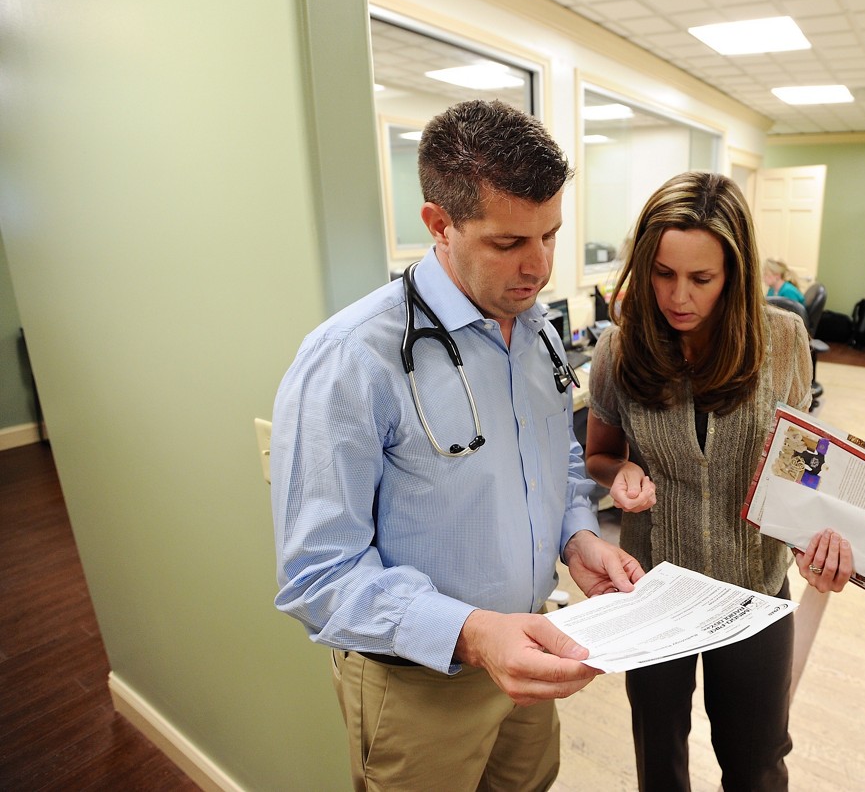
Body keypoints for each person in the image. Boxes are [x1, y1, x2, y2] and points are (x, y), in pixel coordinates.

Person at [270, 99, 643, 792]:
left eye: (551, 236)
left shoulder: (535, 331)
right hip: (419, 687)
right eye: (508, 243)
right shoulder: (350, 361)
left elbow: (554, 462)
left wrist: (579, 538)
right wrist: (471, 633)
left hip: (528, 648)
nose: (538, 268)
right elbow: (317, 574)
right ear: (439, 226)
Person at [584, 171, 856, 791]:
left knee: (757, 761)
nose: (678, 296)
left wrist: (819, 540)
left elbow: (802, 467)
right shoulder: (620, 350)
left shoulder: (783, 340)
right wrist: (621, 470)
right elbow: (599, 455)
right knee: (659, 758)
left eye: (701, 279)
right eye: (662, 273)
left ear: (734, 273)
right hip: (653, 587)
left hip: (755, 589)